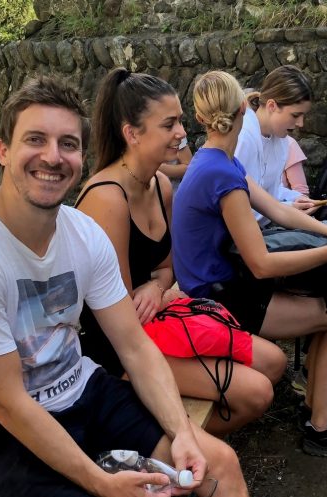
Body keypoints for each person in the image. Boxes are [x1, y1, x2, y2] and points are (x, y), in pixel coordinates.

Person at [0, 76, 266, 497]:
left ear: (82, 157)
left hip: (81, 390)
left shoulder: (83, 234)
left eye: (68, 144)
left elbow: (135, 346)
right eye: (35, 139)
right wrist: (102, 483)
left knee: (219, 464)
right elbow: (7, 401)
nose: (52, 156)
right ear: (2, 150)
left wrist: (183, 433)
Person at [172, 70, 327, 460]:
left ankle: (319, 408)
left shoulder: (216, 160)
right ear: (244, 108)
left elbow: (278, 211)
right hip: (218, 297)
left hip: (224, 282)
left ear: (201, 117)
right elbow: (262, 264)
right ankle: (320, 426)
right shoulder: (222, 173)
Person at [75, 68, 286, 437]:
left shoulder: (159, 185)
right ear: (132, 134)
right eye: (169, 124)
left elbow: (167, 266)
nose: (181, 133)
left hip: (155, 318)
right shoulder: (107, 198)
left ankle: (177, 441)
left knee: (274, 362)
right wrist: (158, 291)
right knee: (257, 393)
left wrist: (157, 287)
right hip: (116, 346)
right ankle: (166, 445)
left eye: (180, 121)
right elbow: (119, 311)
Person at [235, 65, 321, 224]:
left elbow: (270, 190)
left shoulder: (281, 140)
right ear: (271, 106)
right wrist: (288, 208)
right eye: (295, 115)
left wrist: (296, 198)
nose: (300, 123)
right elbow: (237, 203)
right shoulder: (243, 137)